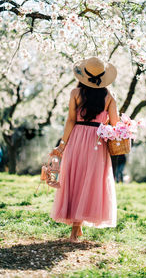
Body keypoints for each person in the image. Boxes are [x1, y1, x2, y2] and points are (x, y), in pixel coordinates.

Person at [49, 57, 120, 242]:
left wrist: (62, 145)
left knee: (76, 179)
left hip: (77, 139)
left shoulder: (75, 93)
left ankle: (75, 229)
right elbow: (115, 124)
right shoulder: (109, 96)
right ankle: (77, 228)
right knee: (90, 182)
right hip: (97, 143)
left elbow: (71, 120)